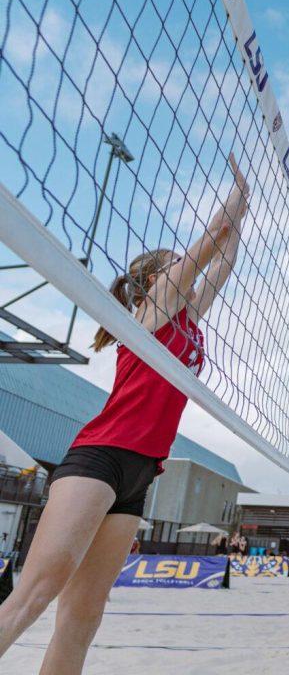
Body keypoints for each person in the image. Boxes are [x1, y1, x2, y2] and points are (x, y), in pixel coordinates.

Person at [0, 155, 247, 673]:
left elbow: (222, 263)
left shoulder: (186, 322)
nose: (186, 271)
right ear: (155, 279)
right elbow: (208, 247)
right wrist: (234, 202)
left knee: (84, 617)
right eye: (175, 265)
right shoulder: (151, 312)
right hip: (101, 456)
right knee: (35, 595)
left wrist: (241, 216)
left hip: (141, 472)